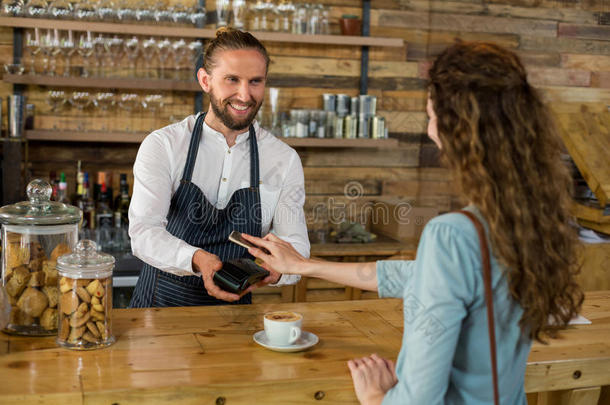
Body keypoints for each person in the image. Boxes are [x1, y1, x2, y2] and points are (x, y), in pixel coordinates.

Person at [243, 42, 584, 405]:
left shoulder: (452, 235)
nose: (429, 127)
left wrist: (376, 396)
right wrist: (304, 265)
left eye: (431, 115)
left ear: (457, 128)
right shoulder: (524, 222)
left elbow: (419, 397)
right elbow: (419, 276)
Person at [128, 28, 309, 307]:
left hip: (234, 320)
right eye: (232, 80)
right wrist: (198, 259)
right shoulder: (164, 145)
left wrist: (279, 269)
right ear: (205, 80)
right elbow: (143, 233)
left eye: (255, 81)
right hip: (160, 311)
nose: (245, 95)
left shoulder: (283, 160)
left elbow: (295, 245)